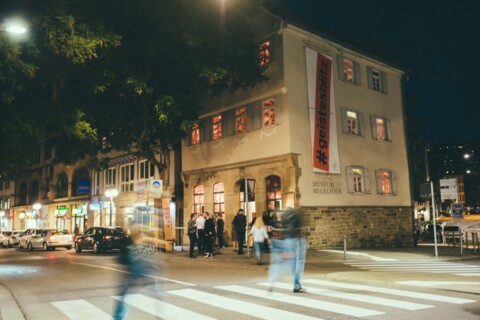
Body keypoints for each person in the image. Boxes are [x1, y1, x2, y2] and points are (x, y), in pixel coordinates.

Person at [267, 207, 306, 293]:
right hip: (292, 239)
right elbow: (293, 230)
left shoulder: (279, 219)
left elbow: (273, 230)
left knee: (275, 263)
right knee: (297, 262)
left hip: (277, 240)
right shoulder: (294, 218)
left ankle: (272, 281)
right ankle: (296, 285)